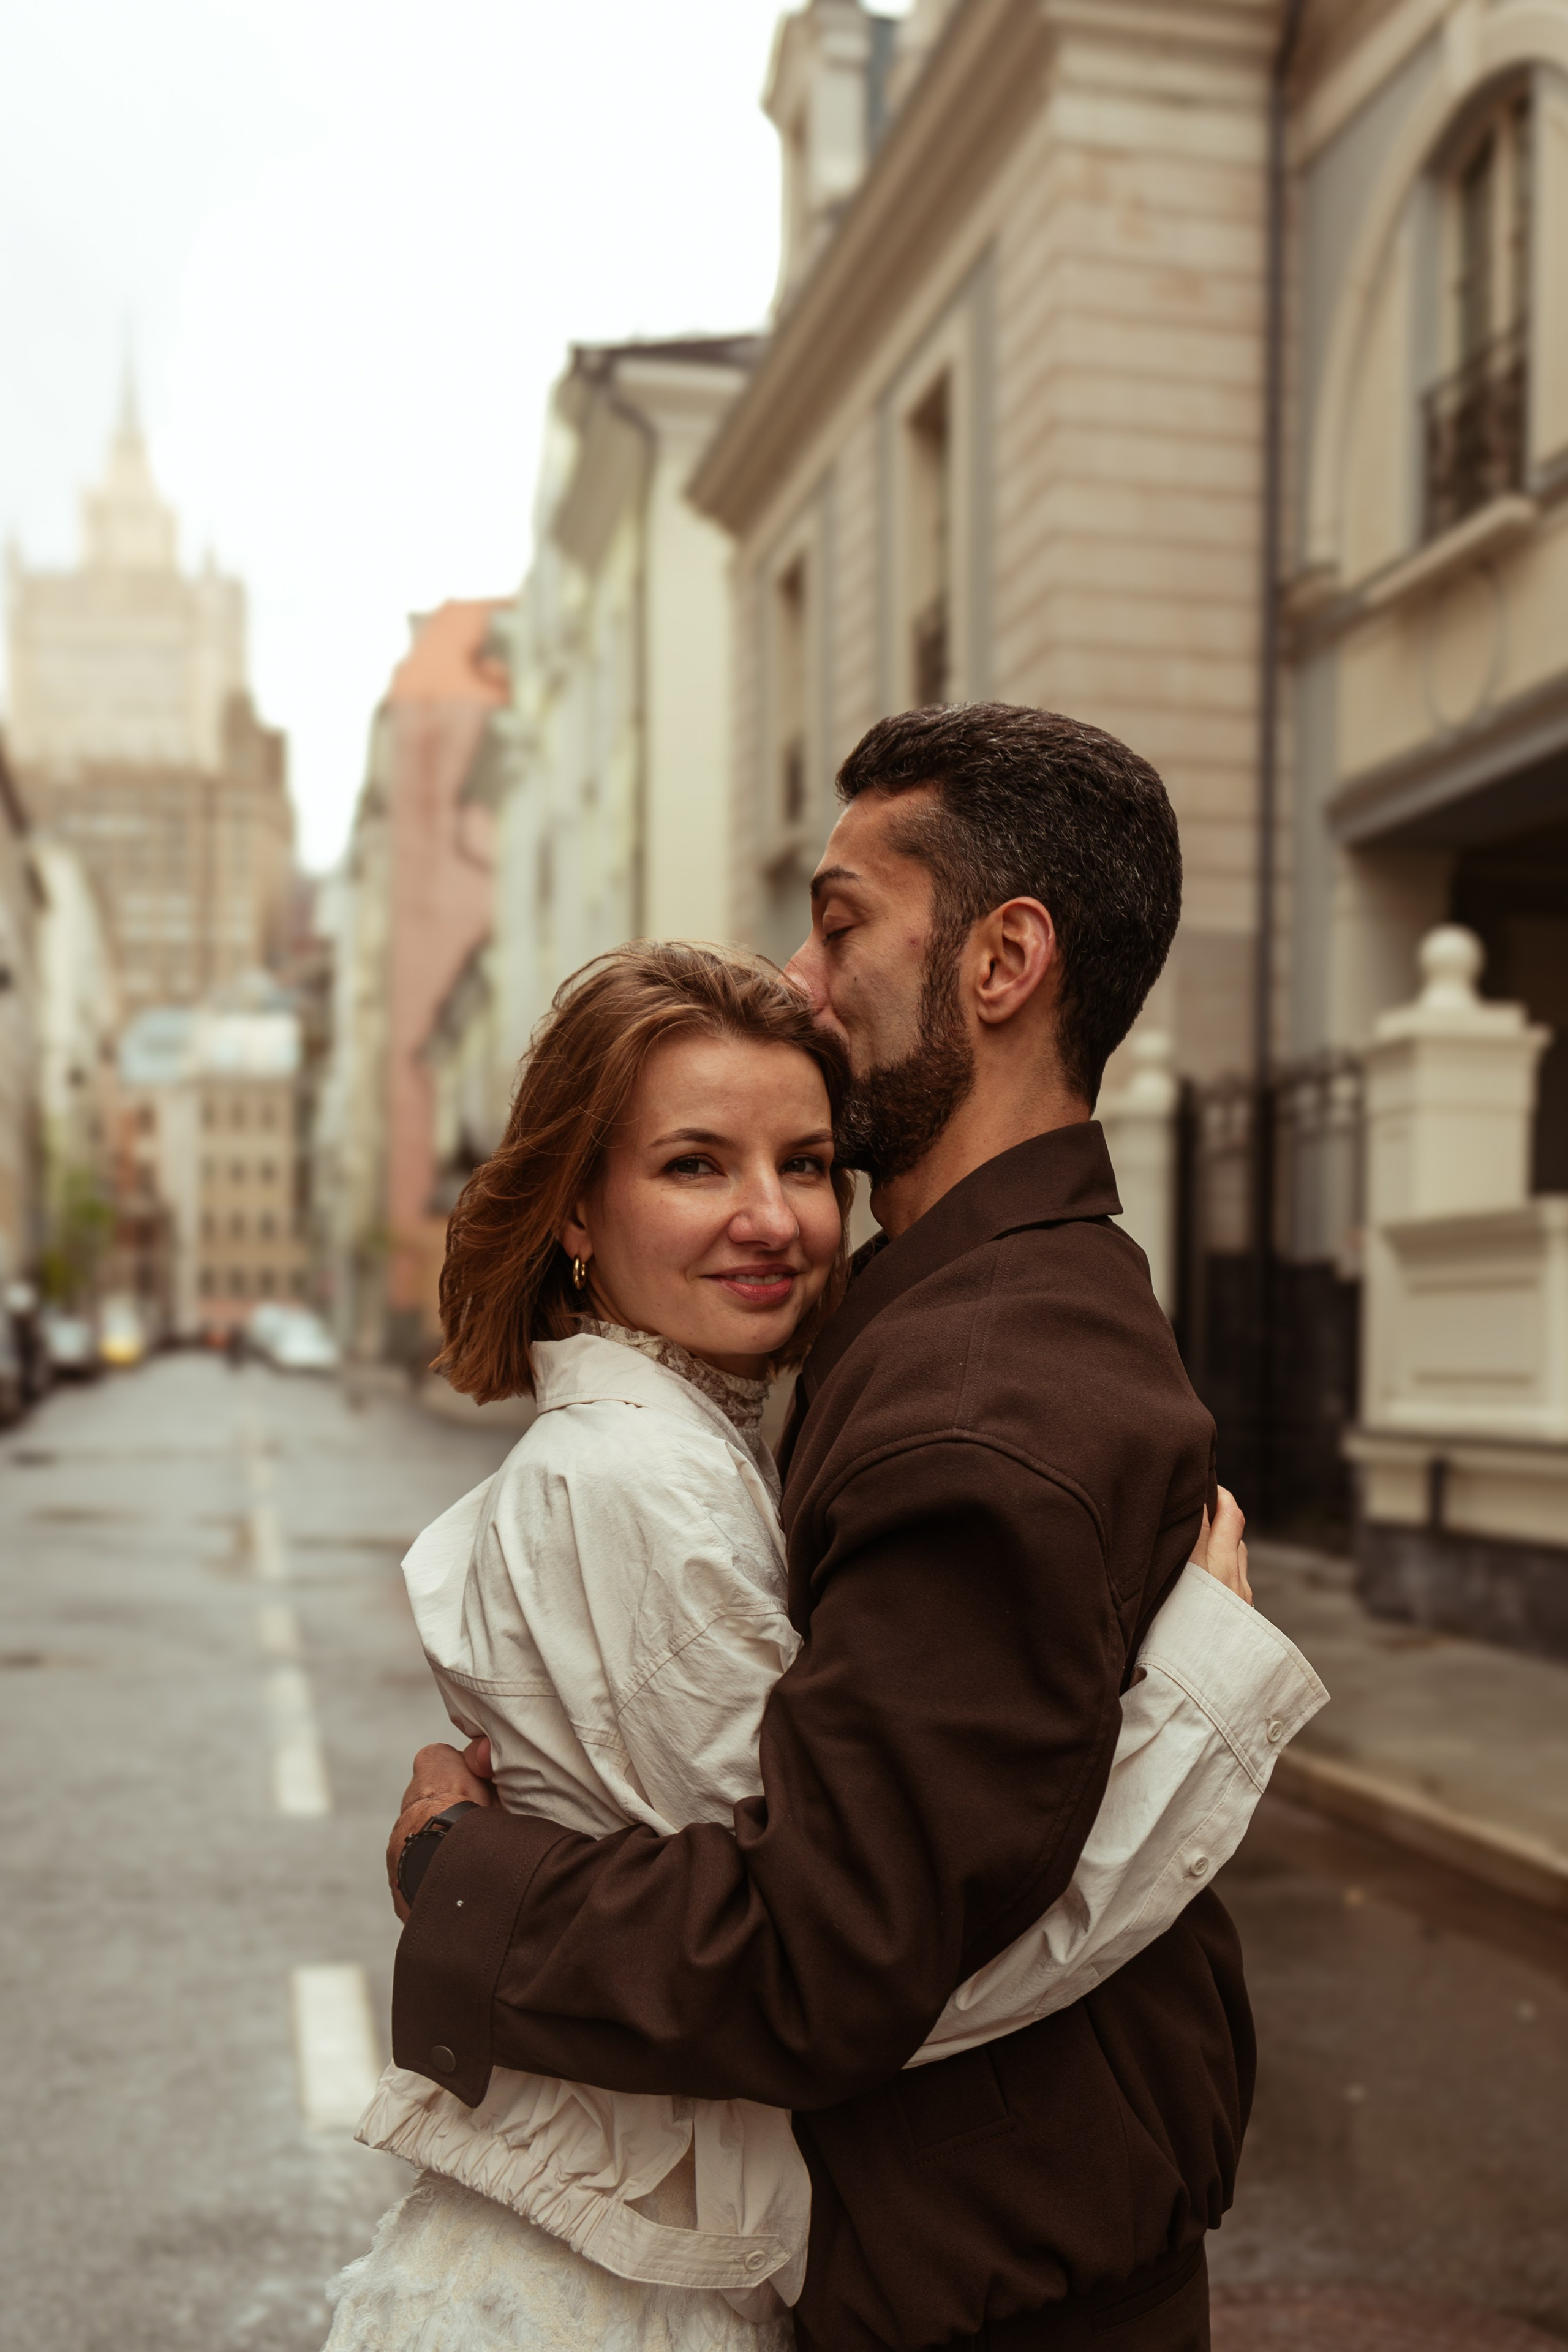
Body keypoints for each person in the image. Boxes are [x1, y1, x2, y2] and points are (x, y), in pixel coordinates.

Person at [379, 705, 1323, 2351]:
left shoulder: (977, 1392)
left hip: (993, 2292)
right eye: (697, 1164)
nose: (803, 980)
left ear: (1003, 961)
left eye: (839, 925)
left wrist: (457, 1877)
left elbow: (827, 1960)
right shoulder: (917, 1322)